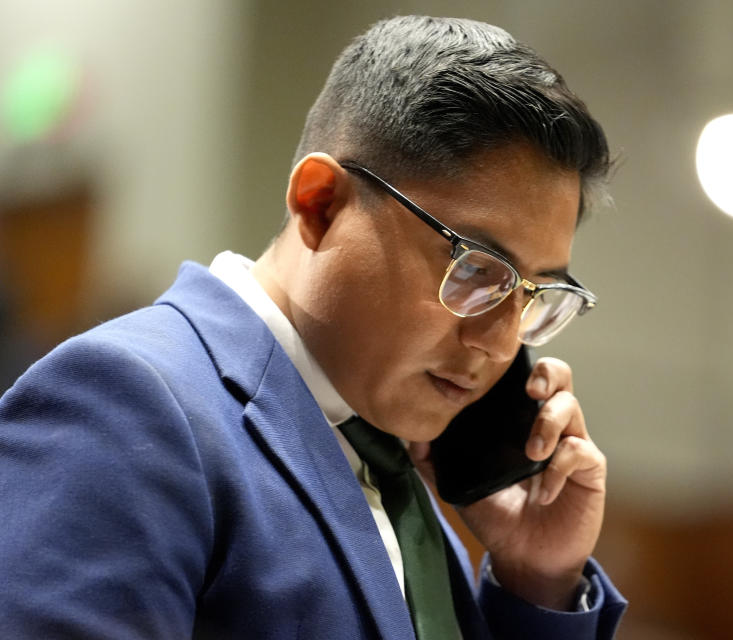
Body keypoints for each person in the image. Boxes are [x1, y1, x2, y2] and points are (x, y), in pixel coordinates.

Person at [0, 15, 626, 639]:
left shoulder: (398, 476)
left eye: (535, 295)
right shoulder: (127, 406)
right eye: (475, 269)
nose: (499, 341)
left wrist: (537, 579)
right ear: (320, 202)